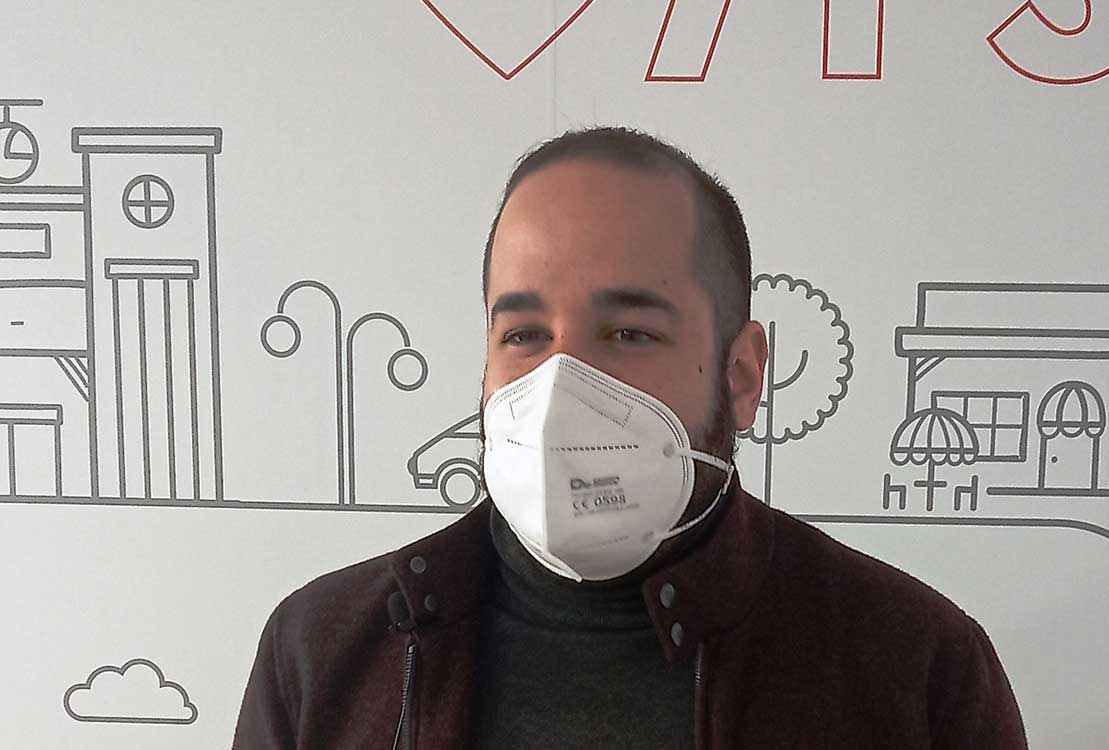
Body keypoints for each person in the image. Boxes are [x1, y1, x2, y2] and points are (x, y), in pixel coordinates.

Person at [233, 127, 1027, 749]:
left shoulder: (914, 668)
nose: (562, 387)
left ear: (742, 376)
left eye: (628, 334)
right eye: (524, 335)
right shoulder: (322, 656)